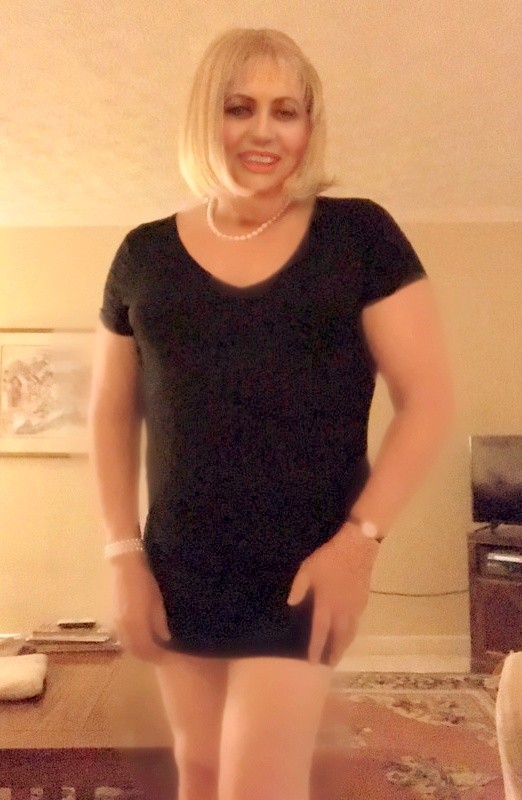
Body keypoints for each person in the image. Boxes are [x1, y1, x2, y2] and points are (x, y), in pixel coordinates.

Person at [88, 27, 454, 800]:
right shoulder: (142, 256)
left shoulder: (360, 237)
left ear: (309, 127)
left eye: (286, 111)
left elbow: (428, 402)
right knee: (200, 769)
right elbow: (110, 416)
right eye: (239, 107)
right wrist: (122, 556)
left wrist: (358, 546)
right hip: (181, 563)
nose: (263, 131)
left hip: (303, 568)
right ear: (205, 117)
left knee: (258, 782)